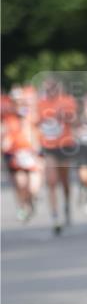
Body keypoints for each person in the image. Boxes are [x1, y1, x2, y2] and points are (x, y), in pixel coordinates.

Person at [36, 78, 78, 235]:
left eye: (52, 88)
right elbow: (35, 123)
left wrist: (64, 116)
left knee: (65, 181)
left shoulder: (67, 101)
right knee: (51, 182)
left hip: (65, 145)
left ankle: (66, 205)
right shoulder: (40, 104)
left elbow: (75, 121)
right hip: (48, 147)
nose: (50, 91)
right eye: (47, 88)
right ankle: (55, 217)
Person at [1, 89, 42, 221]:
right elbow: (4, 135)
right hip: (15, 155)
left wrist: (37, 151)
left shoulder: (30, 115)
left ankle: (30, 201)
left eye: (20, 101)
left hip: (31, 154)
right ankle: (23, 206)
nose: (17, 104)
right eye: (15, 101)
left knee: (33, 188)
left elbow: (37, 132)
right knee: (20, 183)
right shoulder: (7, 118)